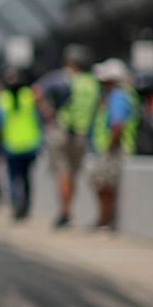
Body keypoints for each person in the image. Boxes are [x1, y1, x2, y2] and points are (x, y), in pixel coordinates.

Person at [49, 44, 99, 228]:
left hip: (64, 130)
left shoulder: (64, 80)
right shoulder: (92, 83)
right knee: (74, 175)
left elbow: (39, 92)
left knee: (63, 173)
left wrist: (49, 113)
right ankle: (68, 211)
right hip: (82, 133)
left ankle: (65, 213)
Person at [88, 58, 137, 232]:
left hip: (112, 150)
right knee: (100, 182)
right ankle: (103, 219)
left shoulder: (118, 97)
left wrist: (109, 148)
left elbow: (117, 126)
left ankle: (105, 221)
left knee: (104, 184)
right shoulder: (115, 97)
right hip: (107, 148)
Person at [0, 67, 46, 221]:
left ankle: (17, 205)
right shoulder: (29, 95)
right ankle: (26, 206)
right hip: (30, 144)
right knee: (26, 177)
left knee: (13, 178)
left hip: (12, 145)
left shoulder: (3, 98)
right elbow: (38, 118)